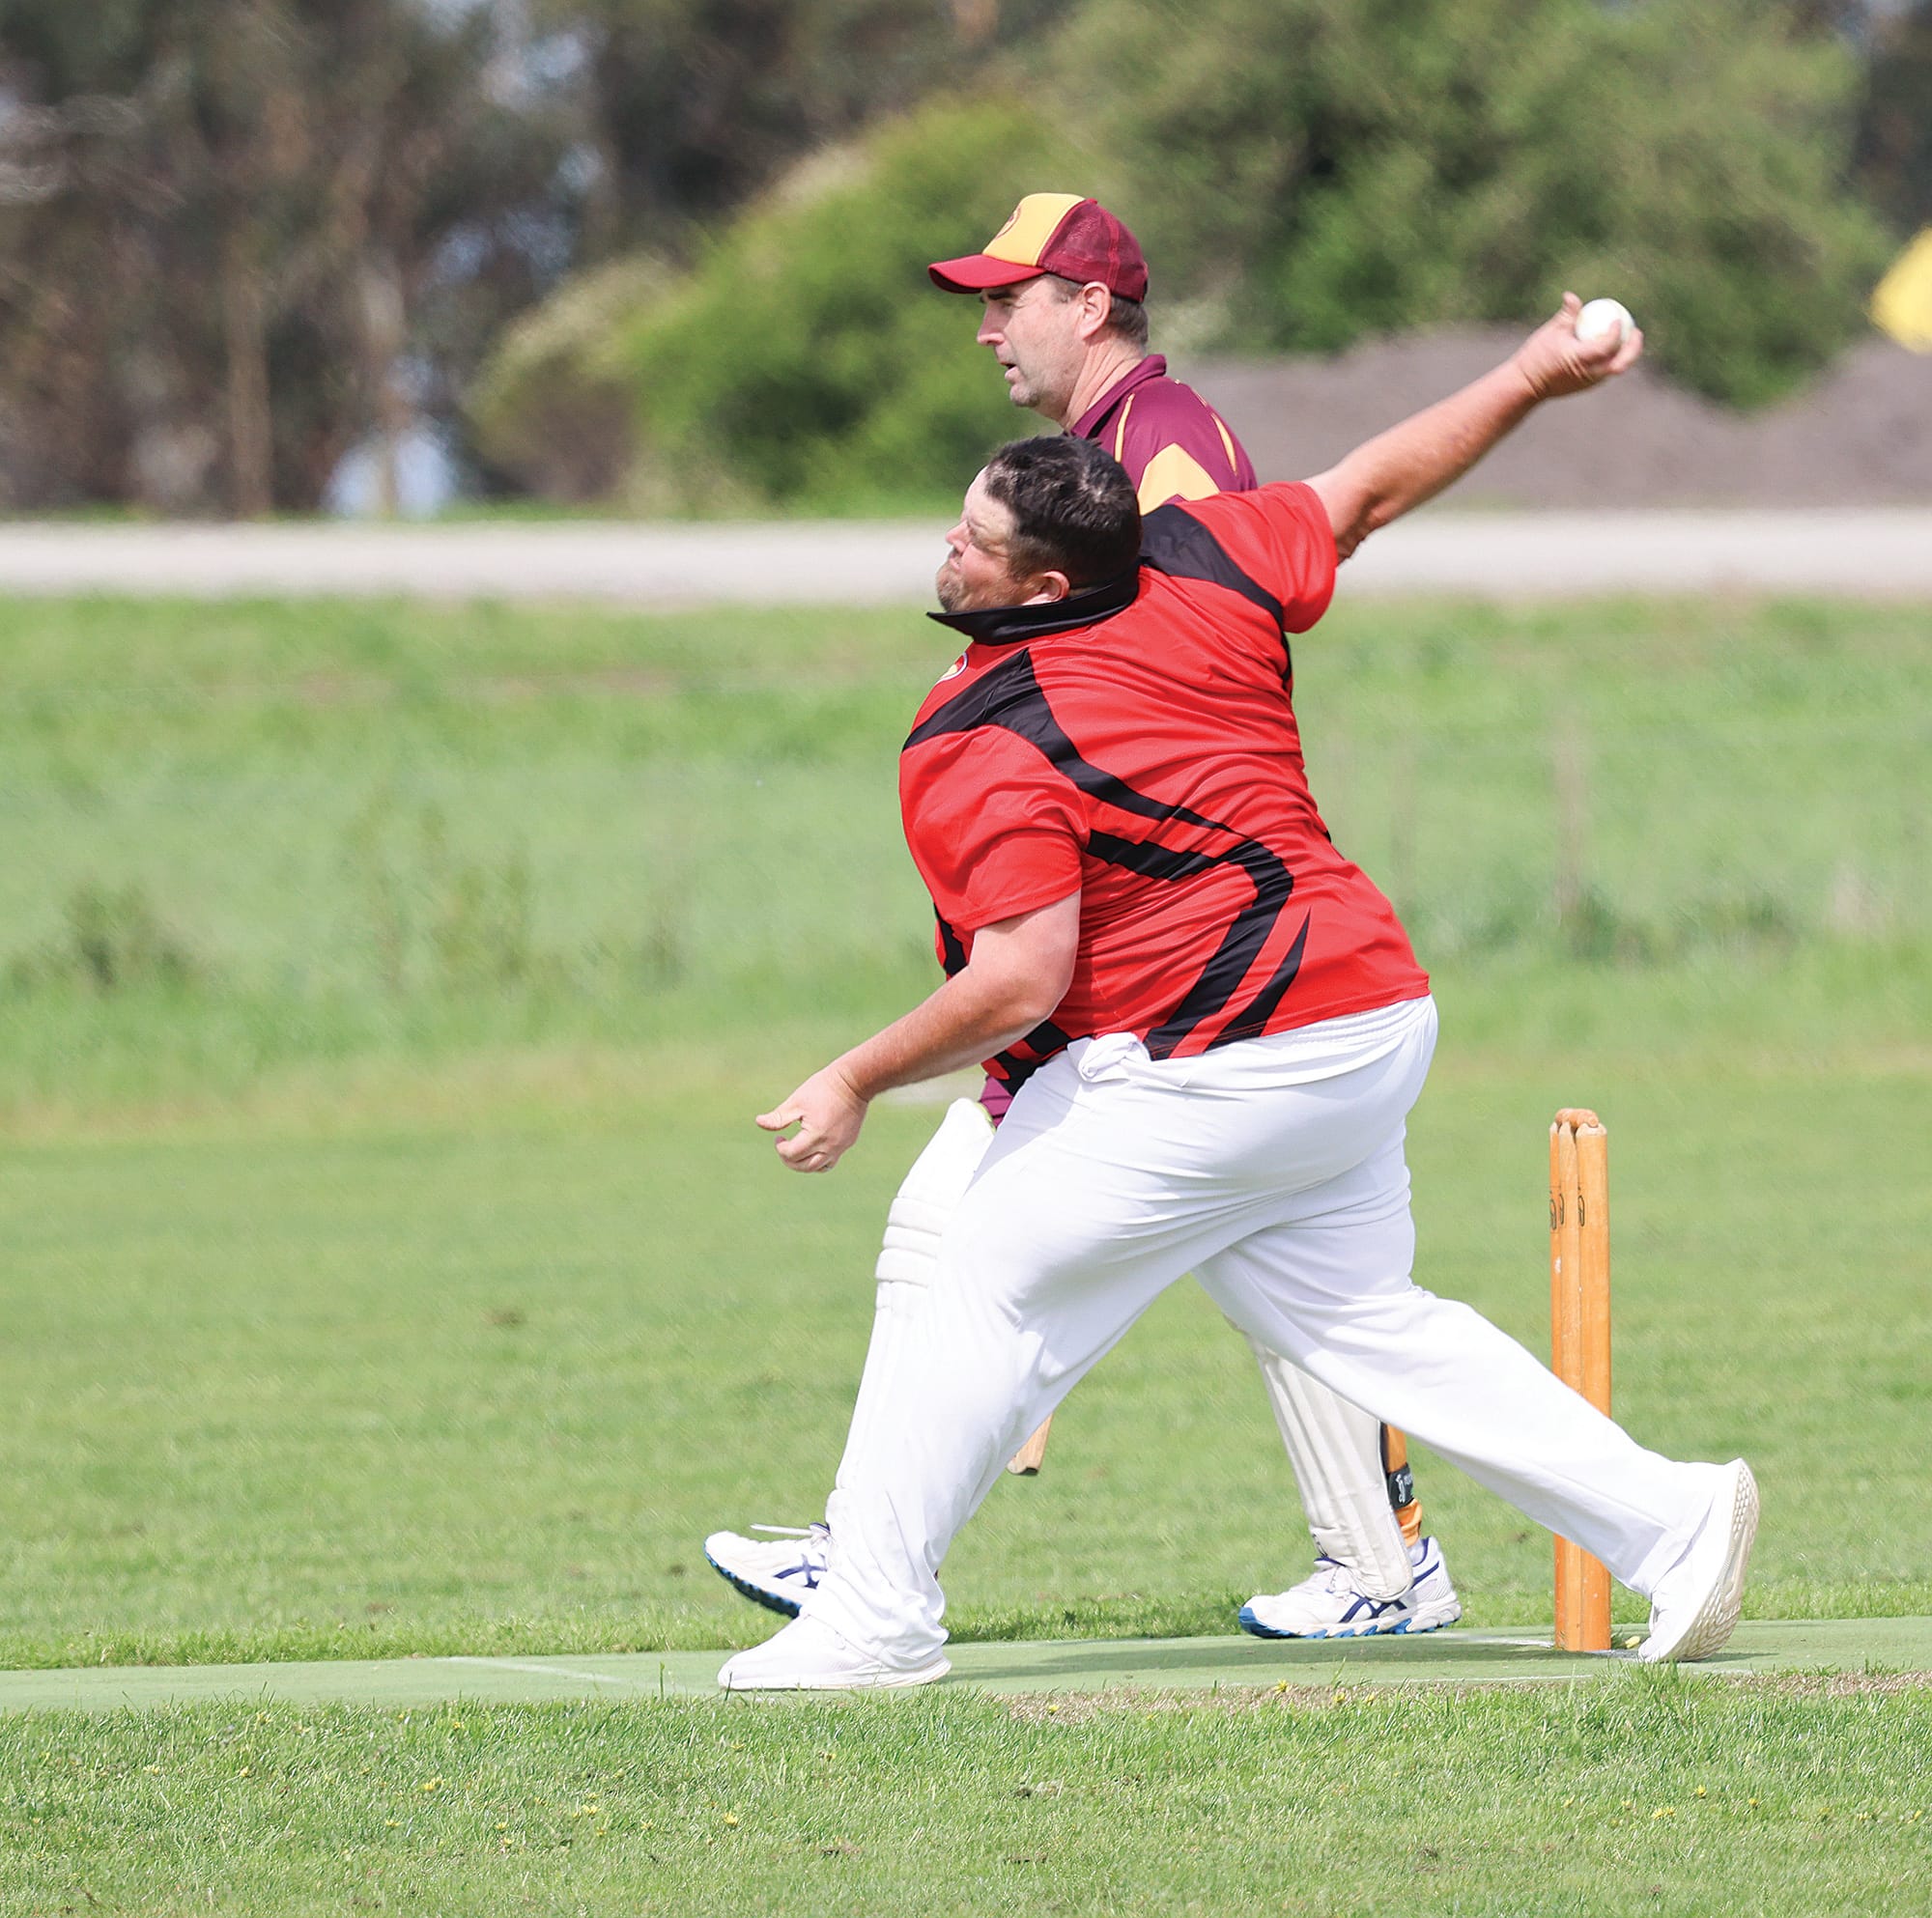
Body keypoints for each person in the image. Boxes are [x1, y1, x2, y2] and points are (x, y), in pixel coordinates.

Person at [716, 297, 1759, 1691]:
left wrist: (854, 1073)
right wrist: (1532, 371)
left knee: (980, 1273)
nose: (945, 550)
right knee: (1368, 1327)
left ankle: (870, 1619)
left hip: (1227, 1058)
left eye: (974, 541)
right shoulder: (1204, 552)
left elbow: (1021, 979)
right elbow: (1373, 487)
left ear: (1040, 587)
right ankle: (1677, 1516)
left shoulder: (990, 726)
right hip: (1371, 1017)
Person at [703, 193, 1457, 1642]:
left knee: (959, 1230)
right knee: (1287, 1272)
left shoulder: (1159, 451)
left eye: (1010, 300)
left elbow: (1163, 678)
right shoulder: (1107, 451)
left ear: (1090, 306)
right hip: (1179, 944)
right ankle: (1381, 1564)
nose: (987, 329)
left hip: (1165, 947)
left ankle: (865, 1557)